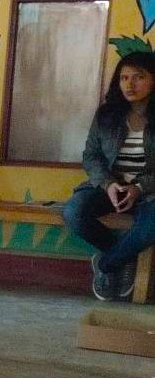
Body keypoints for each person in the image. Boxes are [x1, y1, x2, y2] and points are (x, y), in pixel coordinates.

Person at [62, 51, 155, 301]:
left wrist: (139, 188)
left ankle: (107, 264)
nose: (130, 84)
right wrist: (109, 184)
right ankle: (123, 256)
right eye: (124, 78)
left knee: (150, 228)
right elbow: (91, 156)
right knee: (73, 212)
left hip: (149, 193)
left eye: (138, 77)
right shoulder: (107, 115)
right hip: (110, 187)